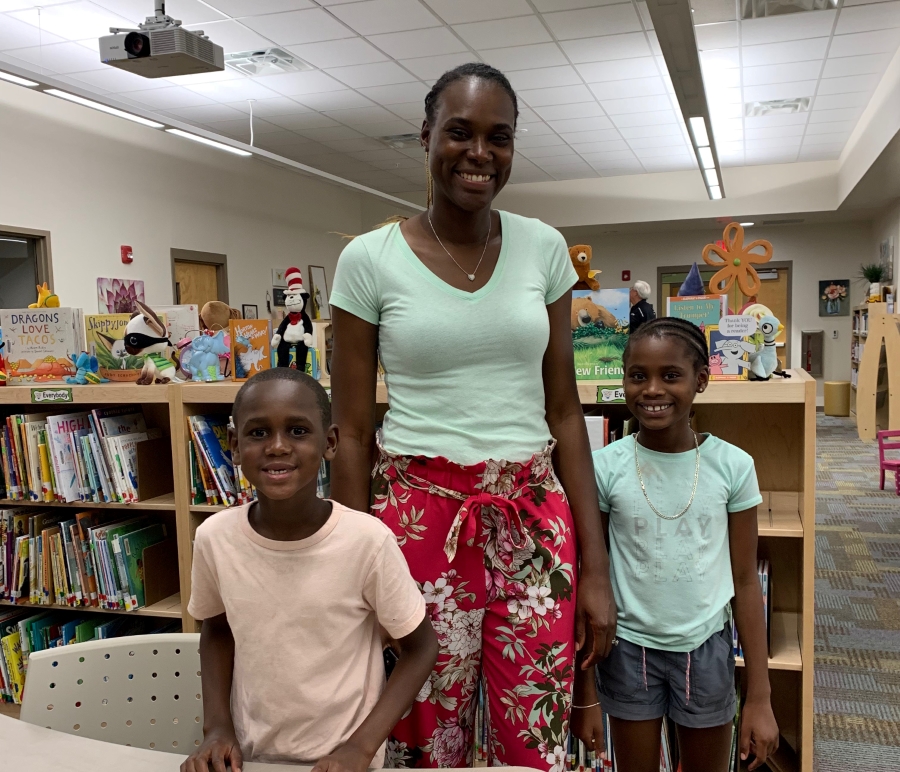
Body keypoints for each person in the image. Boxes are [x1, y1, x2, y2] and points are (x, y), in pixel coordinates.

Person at [328, 63, 617, 769]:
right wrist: (347, 564)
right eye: (459, 133)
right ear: (426, 136)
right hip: (419, 521)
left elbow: (564, 410)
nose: (479, 153)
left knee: (536, 738)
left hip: (531, 518)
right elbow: (354, 431)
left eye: (499, 137)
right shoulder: (368, 260)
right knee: (428, 736)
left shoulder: (544, 247)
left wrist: (597, 568)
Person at [181, 369, 438, 772]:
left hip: (344, 763)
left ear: (329, 443)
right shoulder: (215, 538)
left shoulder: (367, 541)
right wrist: (217, 728)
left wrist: (361, 748)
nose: (278, 447)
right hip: (251, 759)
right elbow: (216, 631)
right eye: (258, 433)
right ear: (233, 444)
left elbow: (422, 648)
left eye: (298, 431)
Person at [574, 318, 779, 772]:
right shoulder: (605, 467)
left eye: (670, 375)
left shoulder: (734, 466)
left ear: (700, 381)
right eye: (637, 375)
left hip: (705, 649)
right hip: (627, 649)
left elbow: (746, 581)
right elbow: (591, 579)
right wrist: (584, 693)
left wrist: (760, 699)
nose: (651, 389)